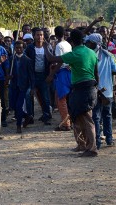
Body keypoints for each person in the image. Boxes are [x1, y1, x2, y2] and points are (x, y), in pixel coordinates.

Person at [43, 29, 99, 158]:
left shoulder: (74, 54)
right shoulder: (91, 52)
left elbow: (51, 58)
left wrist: (46, 47)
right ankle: (83, 145)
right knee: (78, 117)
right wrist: (97, 88)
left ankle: (92, 148)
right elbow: (96, 74)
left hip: (81, 89)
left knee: (86, 119)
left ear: (72, 41)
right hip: (90, 87)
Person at [85, 33, 116, 149]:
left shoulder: (91, 56)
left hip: (98, 91)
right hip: (106, 91)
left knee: (97, 116)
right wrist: (115, 86)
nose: (87, 44)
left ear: (93, 43)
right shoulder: (108, 55)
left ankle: (100, 141)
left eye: (89, 42)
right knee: (106, 115)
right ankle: (108, 139)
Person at [25, 27, 53, 125]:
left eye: (41, 35)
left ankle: (46, 116)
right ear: (34, 36)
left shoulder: (48, 47)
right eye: (37, 35)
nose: (40, 37)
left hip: (43, 76)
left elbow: (51, 63)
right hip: (32, 76)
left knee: (45, 97)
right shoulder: (29, 48)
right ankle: (30, 116)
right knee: (29, 95)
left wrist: (50, 75)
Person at [47, 26, 72, 131]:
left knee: (61, 99)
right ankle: (69, 121)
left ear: (55, 34)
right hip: (69, 71)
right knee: (67, 99)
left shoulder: (59, 45)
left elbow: (60, 60)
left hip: (62, 72)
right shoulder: (68, 44)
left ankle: (66, 124)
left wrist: (52, 74)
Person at [7, 41, 35, 133]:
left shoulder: (27, 60)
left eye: (20, 48)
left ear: (23, 48)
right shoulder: (11, 59)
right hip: (13, 86)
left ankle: (18, 125)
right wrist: (9, 76)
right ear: (14, 48)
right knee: (12, 105)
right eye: (17, 48)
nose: (18, 49)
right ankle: (26, 116)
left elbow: (31, 76)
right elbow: (8, 72)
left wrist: (32, 88)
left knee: (19, 106)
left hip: (23, 87)